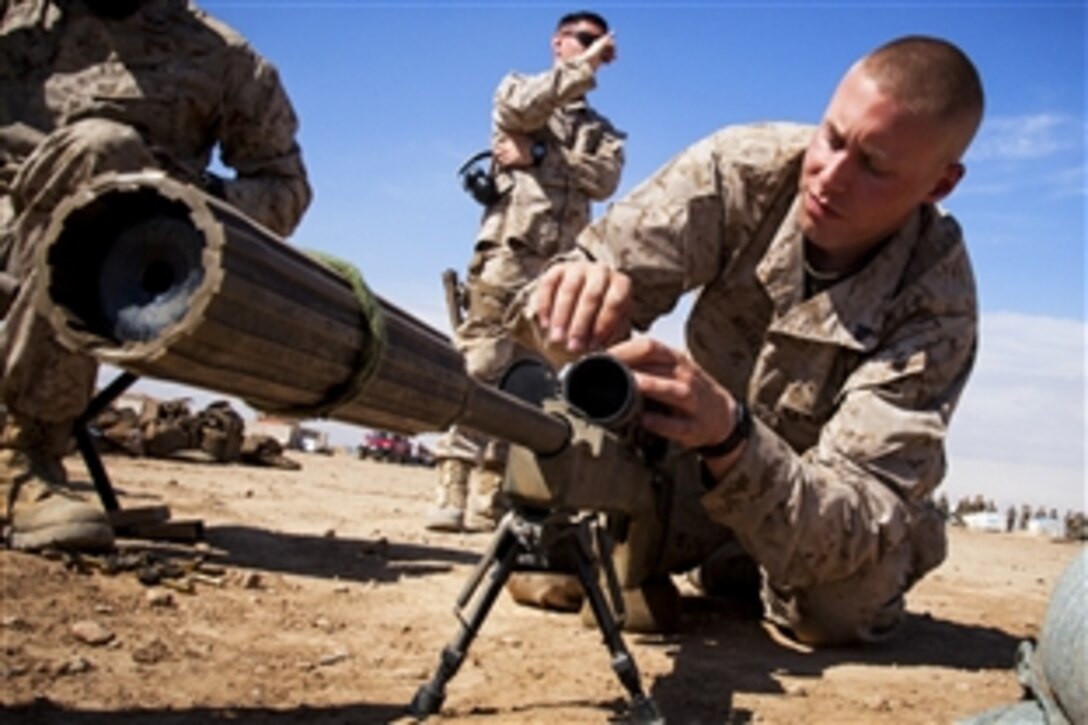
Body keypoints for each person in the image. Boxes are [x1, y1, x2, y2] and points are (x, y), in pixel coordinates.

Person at [509, 35, 984, 645]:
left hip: (818, 492)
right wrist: (570, 295)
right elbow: (542, 311)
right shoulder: (741, 170)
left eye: (874, 166)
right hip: (691, 459)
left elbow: (858, 507)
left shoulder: (937, 304)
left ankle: (761, 560)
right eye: (833, 137)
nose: (828, 178)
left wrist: (731, 433)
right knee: (552, 549)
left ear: (939, 185)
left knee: (836, 609)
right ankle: (727, 556)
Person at [0, 0, 312, 552]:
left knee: (104, 152)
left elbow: (284, 192)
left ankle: (22, 454)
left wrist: (175, 197)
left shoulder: (225, 60)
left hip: (94, 247)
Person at [426, 10, 625, 533]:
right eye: (585, 39)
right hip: (510, 253)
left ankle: (499, 487)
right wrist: (551, 143)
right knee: (481, 363)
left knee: (531, 378)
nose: (596, 48)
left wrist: (537, 154)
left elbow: (604, 180)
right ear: (559, 43)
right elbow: (521, 109)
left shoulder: (601, 131)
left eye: (602, 42)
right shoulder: (521, 91)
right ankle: (452, 480)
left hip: (563, 267)